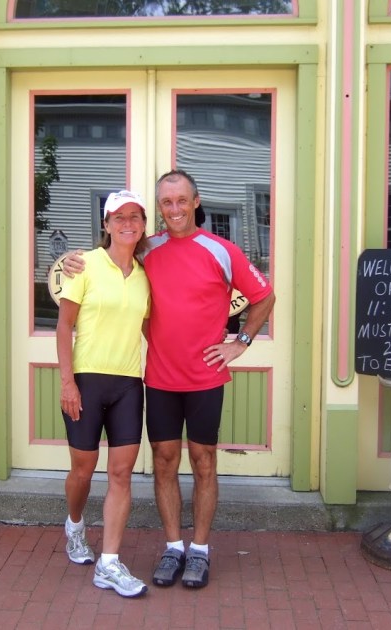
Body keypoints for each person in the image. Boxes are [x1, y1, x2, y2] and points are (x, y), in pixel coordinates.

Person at [64, 170, 276, 589]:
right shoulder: (148, 250)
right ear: (159, 209)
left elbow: (264, 295)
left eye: (181, 200)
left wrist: (240, 343)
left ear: (196, 202)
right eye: (166, 202)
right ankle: (174, 546)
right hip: (159, 379)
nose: (174, 209)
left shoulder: (222, 250)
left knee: (203, 461)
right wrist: (75, 258)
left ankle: (200, 550)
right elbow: (112, 253)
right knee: (164, 461)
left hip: (205, 378)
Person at [57, 189, 151, 598]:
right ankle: (75, 525)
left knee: (121, 474)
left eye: (135, 216)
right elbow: (64, 326)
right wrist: (67, 382)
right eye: (119, 217)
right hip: (87, 381)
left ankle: (109, 564)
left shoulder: (146, 274)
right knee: (83, 470)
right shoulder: (85, 265)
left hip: (129, 383)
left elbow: (152, 328)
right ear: (106, 224)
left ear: (143, 225)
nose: (127, 223)